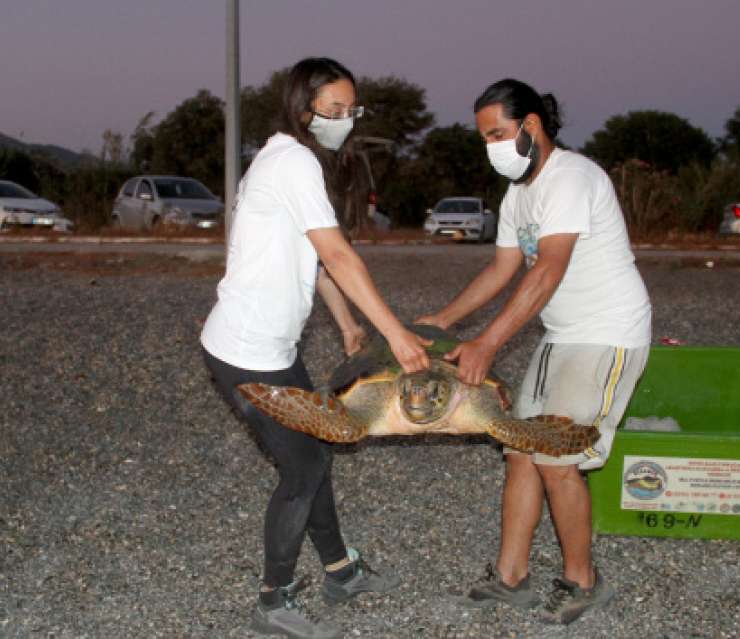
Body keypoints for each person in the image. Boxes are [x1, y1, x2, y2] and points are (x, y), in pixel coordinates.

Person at [200, 57, 431, 638]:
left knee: (317, 451)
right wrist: (396, 334)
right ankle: (273, 600)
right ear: (303, 108)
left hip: (273, 349)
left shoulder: (287, 158)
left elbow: (316, 260)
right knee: (304, 468)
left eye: (351, 110)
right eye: (333, 110)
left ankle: (340, 571)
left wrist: (348, 323)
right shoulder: (294, 161)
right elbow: (340, 255)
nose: (344, 120)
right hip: (246, 353)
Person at [416, 79, 651, 625]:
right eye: (484, 138)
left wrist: (489, 341)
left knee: (556, 458)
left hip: (607, 333)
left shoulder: (571, 178)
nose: (491, 146)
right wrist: (446, 320)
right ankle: (510, 576)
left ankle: (583, 582)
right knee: (519, 448)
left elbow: (548, 267)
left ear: (532, 126)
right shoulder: (519, 191)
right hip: (562, 333)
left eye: (498, 133)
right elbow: (503, 267)